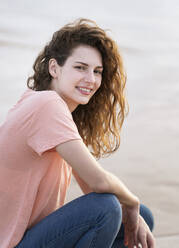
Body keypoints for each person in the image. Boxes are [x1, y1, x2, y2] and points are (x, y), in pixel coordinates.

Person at [0, 18, 156, 248]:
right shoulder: (47, 105)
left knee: (140, 217)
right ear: (54, 68)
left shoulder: (49, 107)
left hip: (29, 238)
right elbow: (100, 182)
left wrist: (132, 209)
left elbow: (91, 185)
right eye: (80, 68)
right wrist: (131, 201)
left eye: (97, 71)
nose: (91, 80)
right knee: (107, 209)